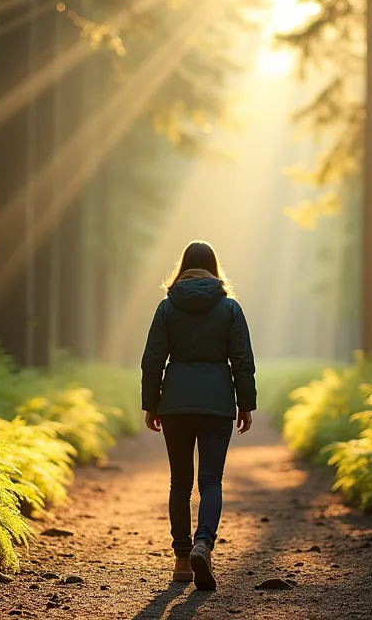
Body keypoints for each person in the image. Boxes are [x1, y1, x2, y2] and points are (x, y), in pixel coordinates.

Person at [140, 240, 257, 591]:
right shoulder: (230, 308)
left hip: (175, 403)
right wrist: (246, 404)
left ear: (183, 268)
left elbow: (152, 360)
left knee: (180, 482)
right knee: (211, 482)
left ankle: (180, 560)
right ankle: (203, 542)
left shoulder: (167, 307)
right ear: (215, 268)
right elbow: (243, 360)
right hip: (217, 404)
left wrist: (151, 404)